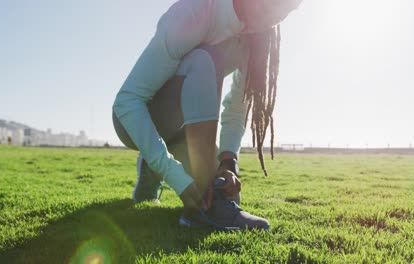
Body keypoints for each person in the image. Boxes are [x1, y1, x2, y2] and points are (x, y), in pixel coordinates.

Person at [112, 0, 302, 230]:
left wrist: (228, 162)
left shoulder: (256, 41)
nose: (276, 16)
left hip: (185, 132)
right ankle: (196, 209)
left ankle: (155, 169)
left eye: (287, 10)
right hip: (137, 121)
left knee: (227, 195)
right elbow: (128, 101)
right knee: (205, 58)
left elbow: (236, 109)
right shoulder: (194, 12)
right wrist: (175, 176)